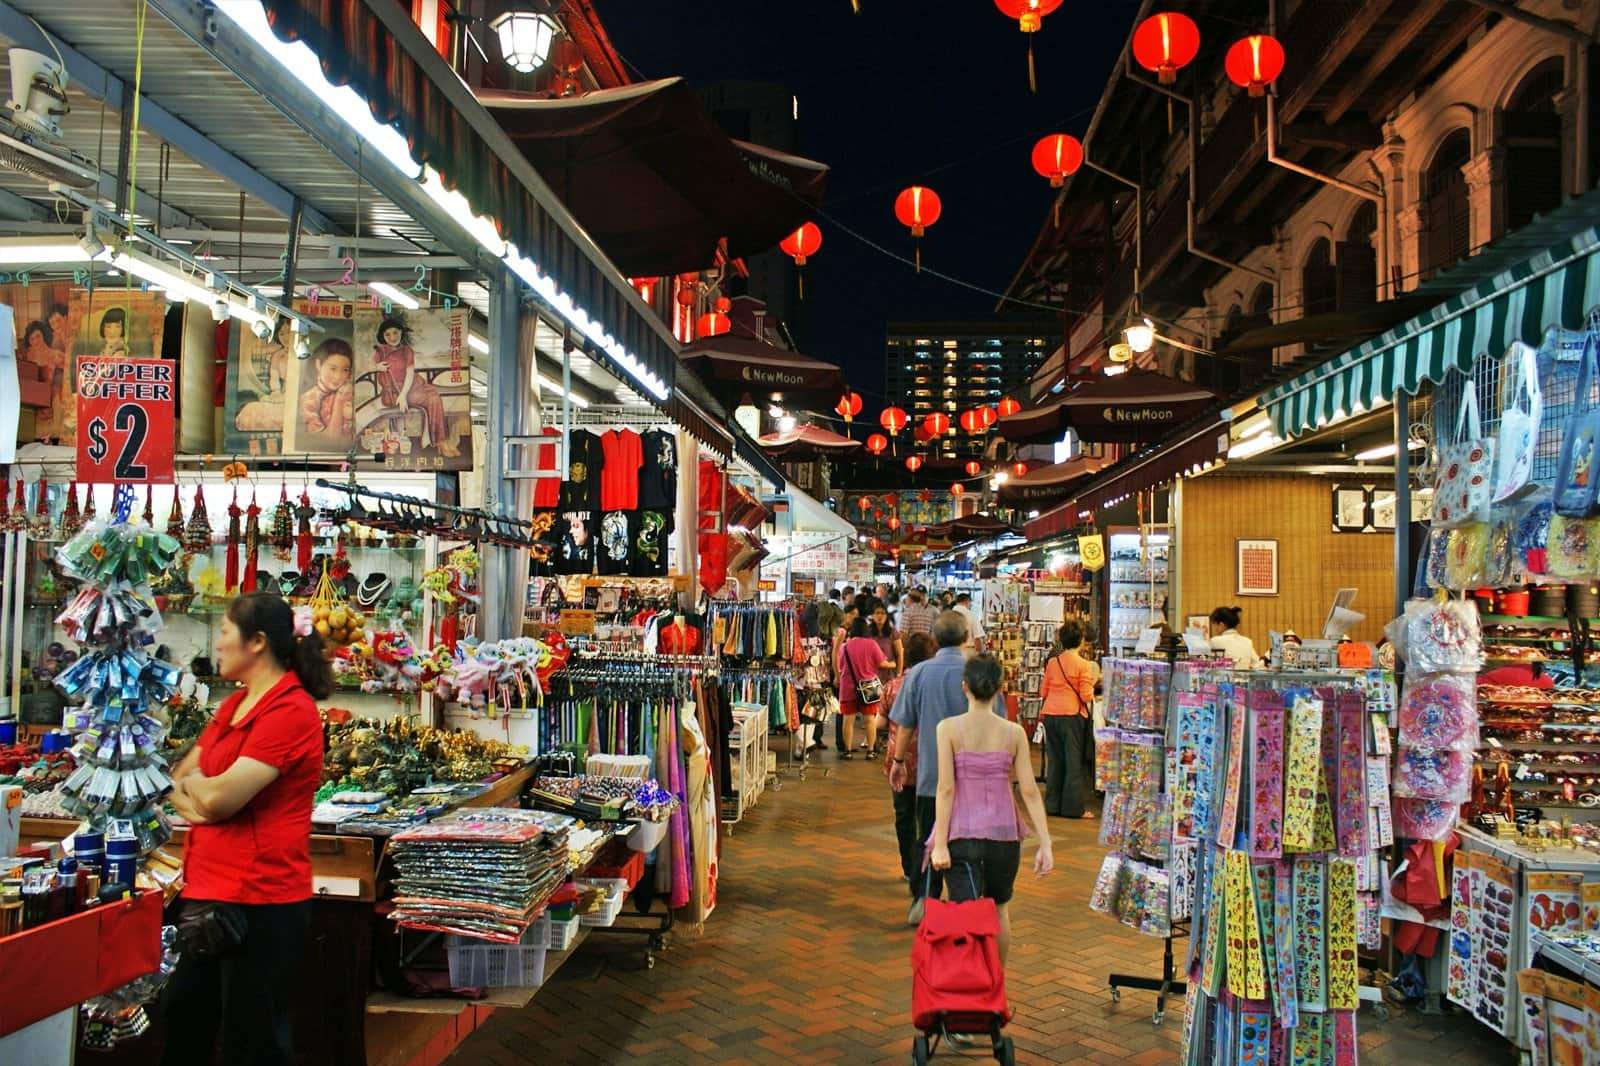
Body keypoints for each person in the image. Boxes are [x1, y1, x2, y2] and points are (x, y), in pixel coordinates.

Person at [162, 593, 333, 1066]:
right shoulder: (233, 705)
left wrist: (200, 793)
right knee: (183, 1021)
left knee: (252, 1042)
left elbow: (218, 799)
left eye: (224, 632)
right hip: (207, 891)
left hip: (261, 902)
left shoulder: (290, 712)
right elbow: (178, 779)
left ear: (257, 642)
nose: (216, 643)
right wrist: (199, 793)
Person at [929, 654, 1054, 965]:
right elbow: (1029, 791)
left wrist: (940, 844)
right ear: (1001, 688)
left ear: (964, 687)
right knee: (999, 908)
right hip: (1004, 835)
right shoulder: (1014, 733)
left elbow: (945, 789)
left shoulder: (948, 729)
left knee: (965, 915)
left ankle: (970, 989)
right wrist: (1046, 843)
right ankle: (995, 985)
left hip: (962, 834)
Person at [889, 610, 971, 924]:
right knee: (968, 840)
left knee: (929, 839)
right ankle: (967, 906)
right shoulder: (977, 671)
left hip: (931, 776)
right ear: (966, 638)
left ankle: (924, 900)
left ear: (935, 640)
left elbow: (905, 724)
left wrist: (898, 762)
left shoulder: (920, 673)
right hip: (972, 777)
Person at [886, 632, 938, 887]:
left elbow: (883, 719)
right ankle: (927, 869)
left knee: (904, 815)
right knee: (928, 817)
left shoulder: (894, 685)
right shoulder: (936, 684)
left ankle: (909, 866)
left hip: (900, 760)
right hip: (931, 759)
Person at [369, 316, 458, 457]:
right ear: (383, 336)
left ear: (401, 332)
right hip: (392, 393)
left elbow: (410, 373)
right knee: (433, 398)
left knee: (434, 395)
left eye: (395, 332)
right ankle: (440, 442)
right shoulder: (380, 352)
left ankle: (440, 441)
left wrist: (403, 395)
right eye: (387, 334)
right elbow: (365, 367)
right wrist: (376, 367)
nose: (392, 337)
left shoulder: (407, 351)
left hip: (410, 387)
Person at [1038, 620, 1098, 818]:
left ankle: (1052, 805)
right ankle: (1073, 809)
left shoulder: (1053, 662)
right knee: (1073, 763)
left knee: (1055, 761)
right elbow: (1086, 696)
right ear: (1080, 640)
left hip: (1050, 715)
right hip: (1071, 716)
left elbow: (1043, 690)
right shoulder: (1084, 665)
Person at [837, 616, 895, 759]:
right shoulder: (871, 644)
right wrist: (895, 664)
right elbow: (882, 664)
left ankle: (848, 751)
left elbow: (839, 665)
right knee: (870, 720)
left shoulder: (845, 646)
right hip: (868, 688)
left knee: (848, 720)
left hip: (847, 688)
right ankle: (870, 751)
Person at [869, 601, 906, 755]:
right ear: (872, 615)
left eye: (882, 613)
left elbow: (900, 653)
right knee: (872, 709)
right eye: (877, 613)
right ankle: (872, 740)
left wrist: (899, 672)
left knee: (887, 709)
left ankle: (884, 740)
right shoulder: (868, 632)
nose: (879, 616)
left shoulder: (892, 632)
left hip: (888, 676)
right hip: (871, 676)